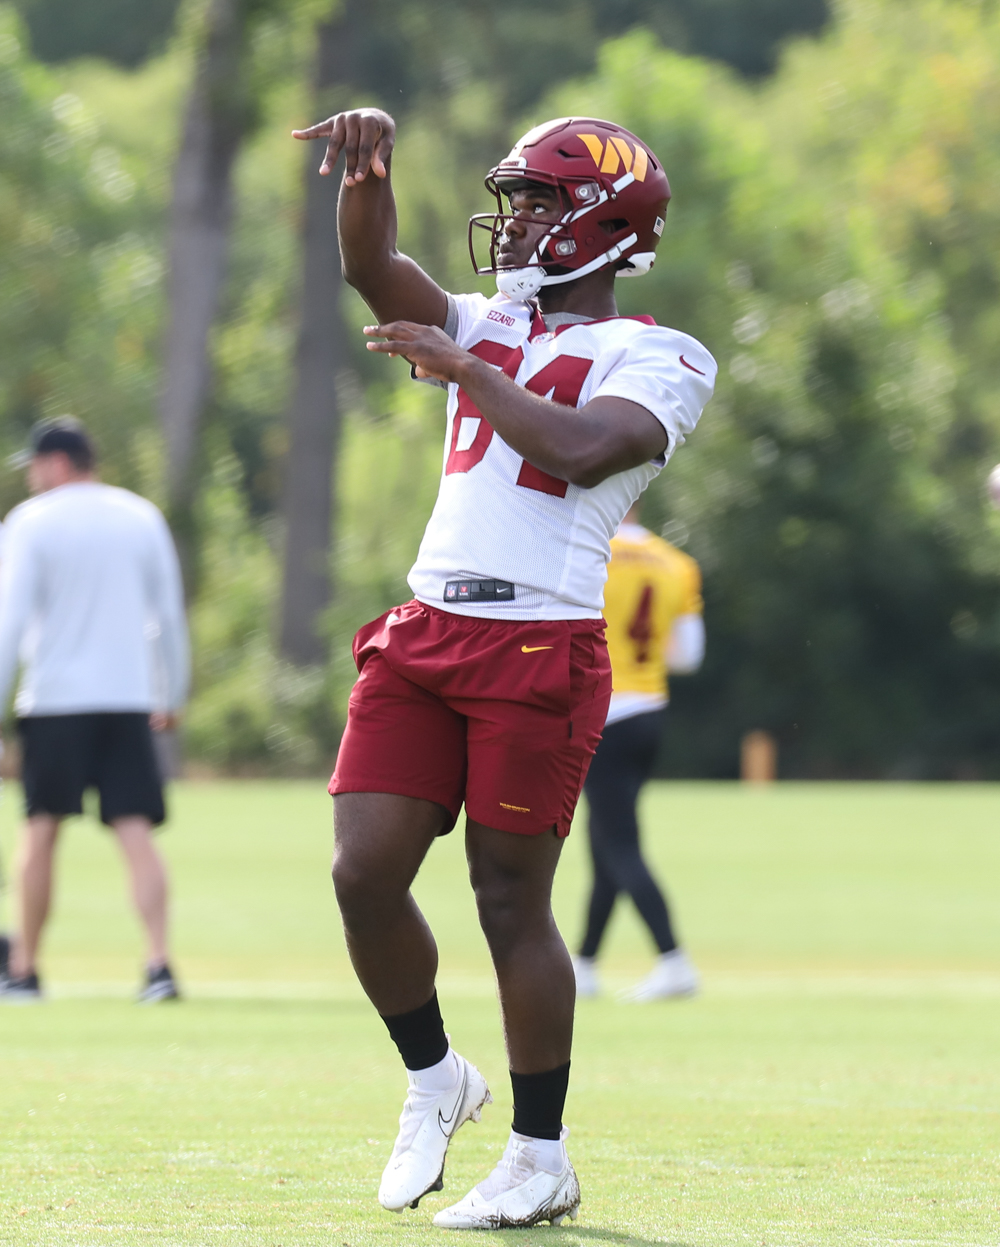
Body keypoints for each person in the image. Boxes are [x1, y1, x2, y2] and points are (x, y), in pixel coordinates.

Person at [292, 109, 716, 1228]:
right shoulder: (487, 320)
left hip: (541, 641)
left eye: (539, 202)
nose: (515, 220)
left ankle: (539, 1152)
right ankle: (436, 1076)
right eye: (513, 198)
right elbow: (371, 265)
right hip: (428, 628)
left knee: (507, 901)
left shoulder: (661, 354)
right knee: (361, 873)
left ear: (607, 226)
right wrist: (366, 172)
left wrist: (465, 368)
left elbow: (581, 450)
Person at [0, 418, 189, 1003]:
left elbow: (8, 623)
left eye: (35, 468)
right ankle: (157, 966)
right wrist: (171, 692)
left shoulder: (31, 523)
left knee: (41, 830)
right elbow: (168, 614)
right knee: (135, 829)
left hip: (55, 700)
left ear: (56, 464)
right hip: (128, 696)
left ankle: (26, 970)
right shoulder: (140, 516)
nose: (32, 480)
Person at [572, 501, 705, 1002]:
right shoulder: (676, 562)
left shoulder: (589, 555)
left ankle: (674, 960)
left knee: (619, 843)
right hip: (650, 710)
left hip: (603, 711)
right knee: (607, 837)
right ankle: (583, 964)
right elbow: (689, 655)